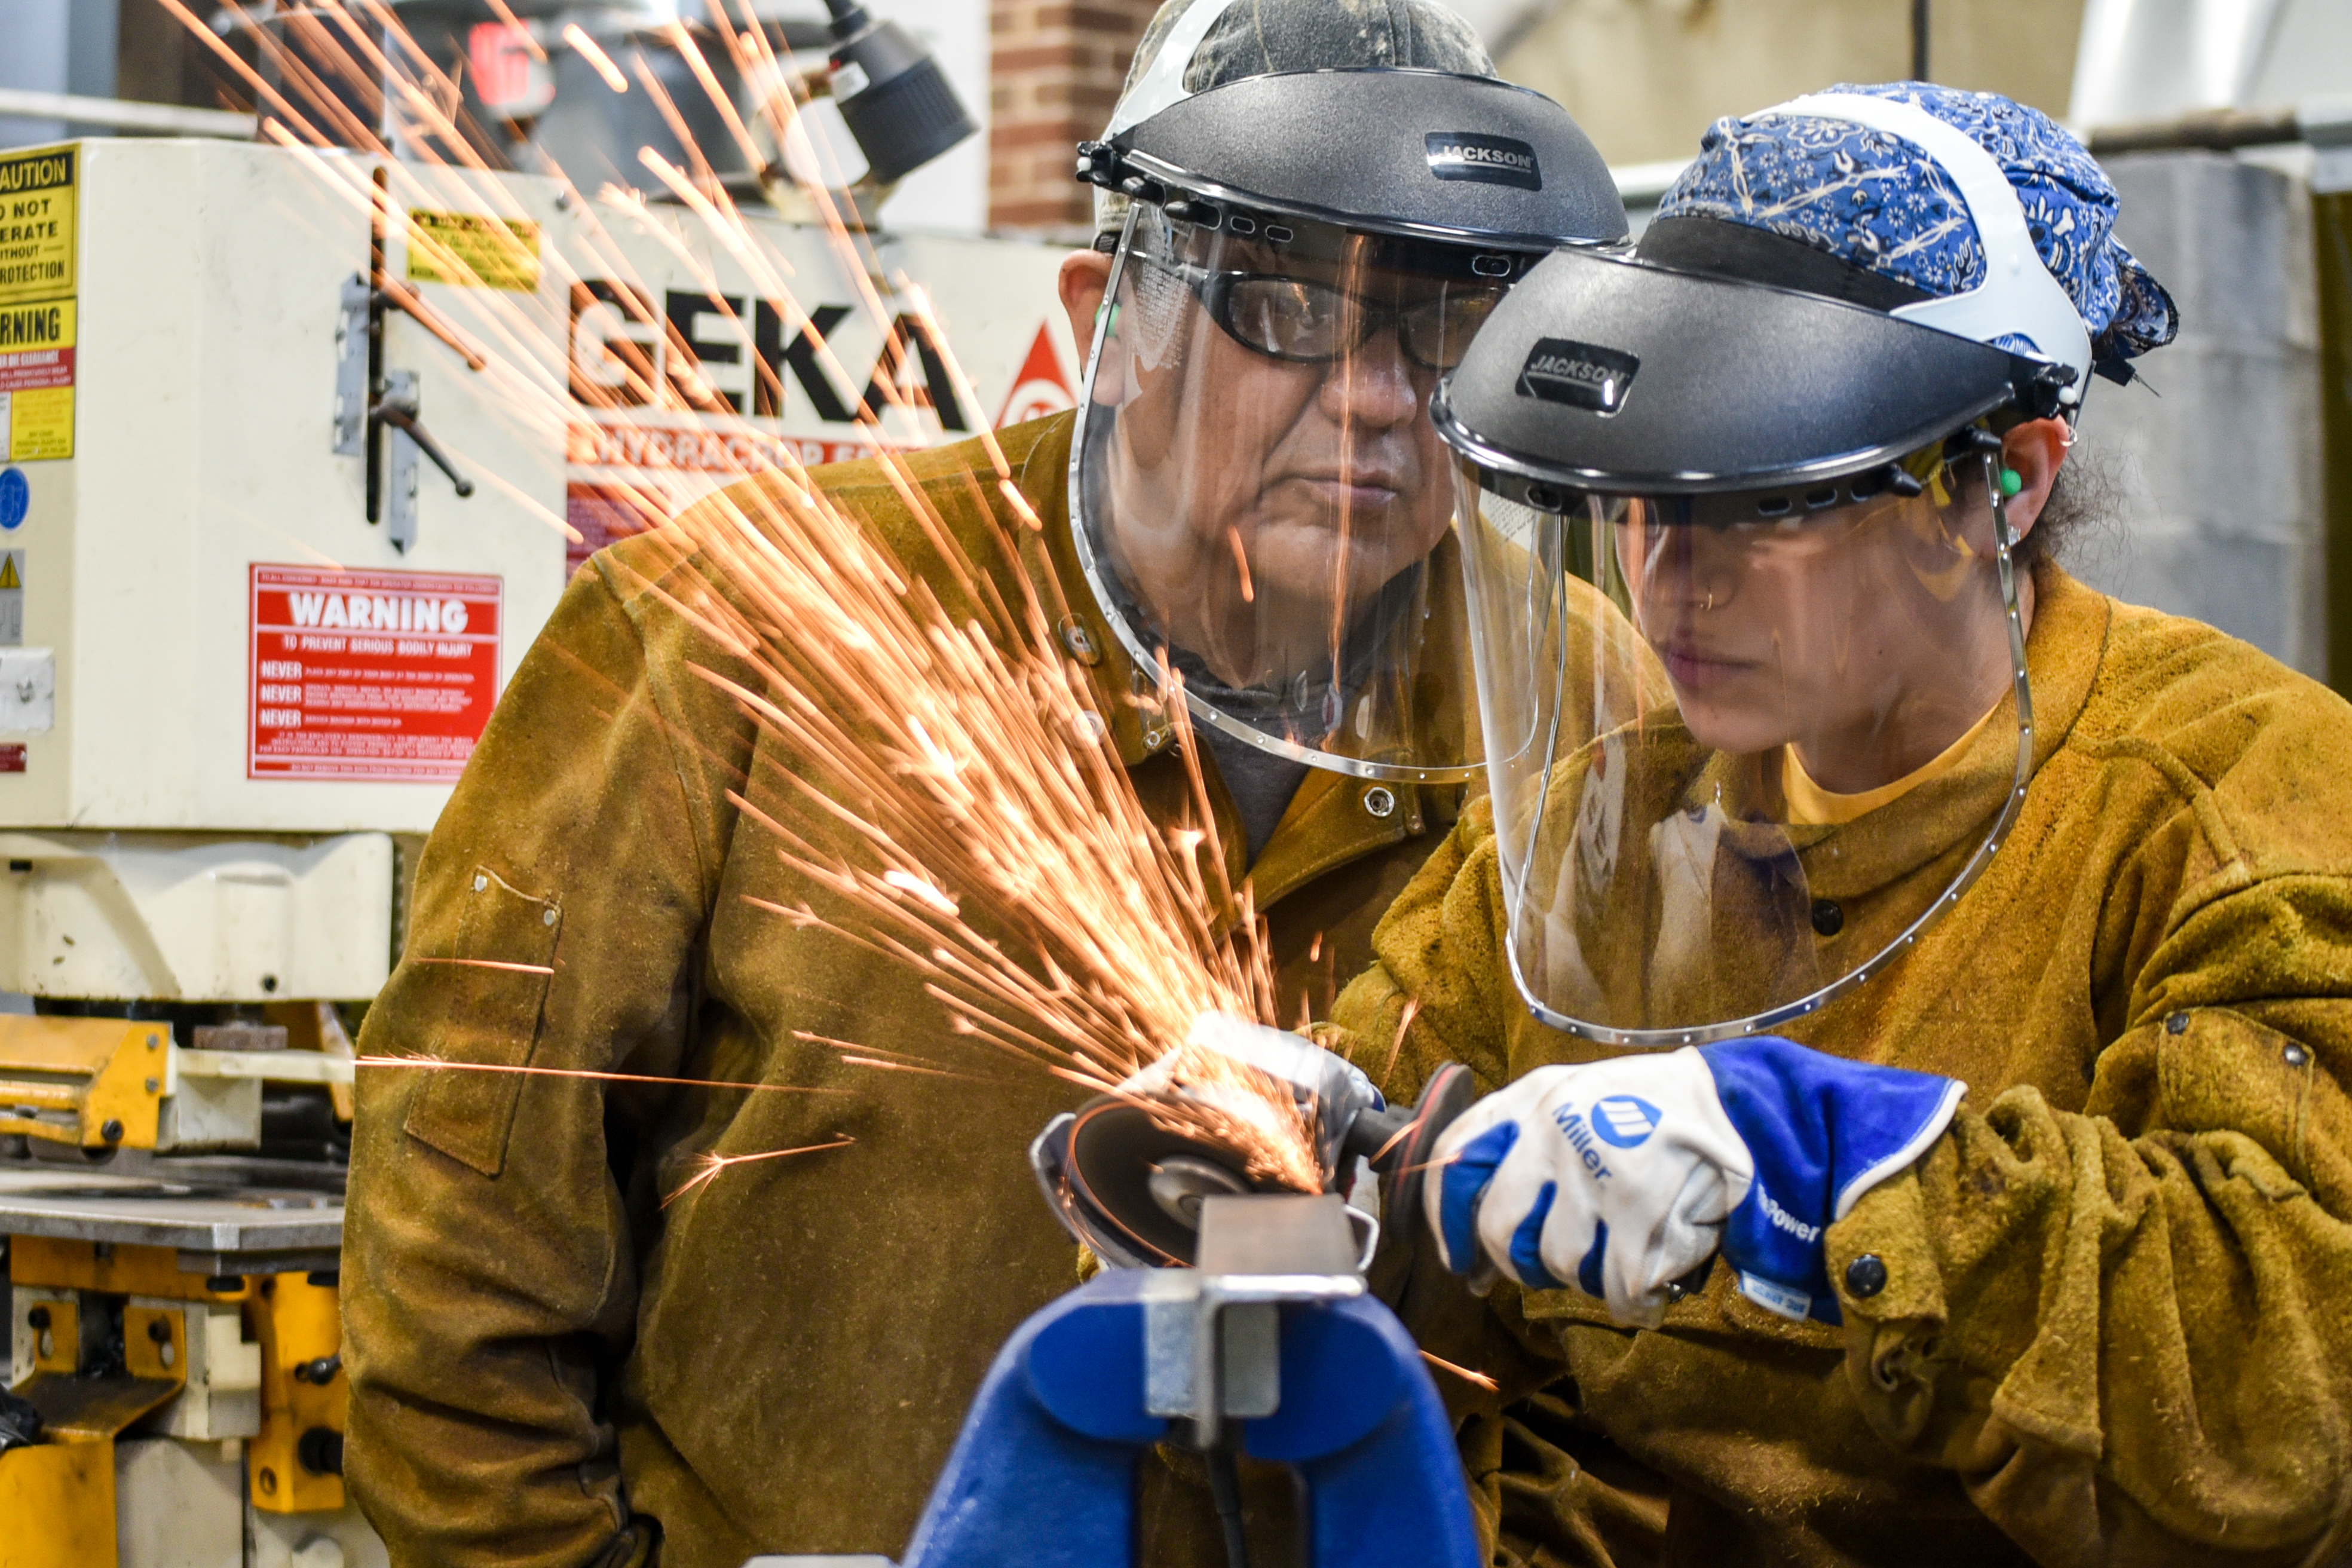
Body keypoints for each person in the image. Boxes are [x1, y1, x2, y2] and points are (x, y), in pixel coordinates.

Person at [338, 4, 1626, 1566]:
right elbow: (458, 1264)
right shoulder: (744, 638)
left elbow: (1634, 1375)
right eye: (1286, 302)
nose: (1373, 394)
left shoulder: (1588, 716)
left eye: (1445, 325)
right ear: (1109, 312)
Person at [1333, 83, 2352, 1565]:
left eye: (1761, 504)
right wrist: (1283, 1160)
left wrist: (1834, 1175)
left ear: (2002, 482)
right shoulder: (1602, 833)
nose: (1667, 579)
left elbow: (2290, 1386)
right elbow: (1392, 1134)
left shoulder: (2240, 798)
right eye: (1641, 500)